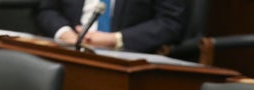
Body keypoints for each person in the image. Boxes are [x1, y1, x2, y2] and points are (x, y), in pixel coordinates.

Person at [36, 0, 187, 53]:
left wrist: (114, 39)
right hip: (67, 50)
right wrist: (66, 34)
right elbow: (47, 9)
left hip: (124, 58)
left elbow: (171, 23)